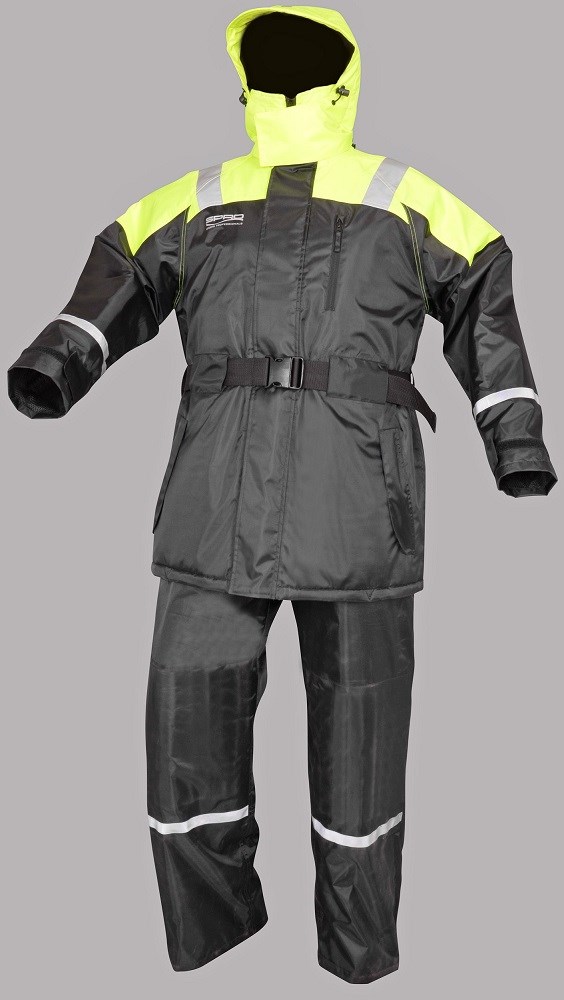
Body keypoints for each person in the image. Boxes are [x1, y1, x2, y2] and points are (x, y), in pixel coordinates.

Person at [6, 4, 557, 985]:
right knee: (185, 729)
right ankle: (217, 937)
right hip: (213, 507)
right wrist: (59, 363)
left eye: (304, 55)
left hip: (359, 507)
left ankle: (356, 951)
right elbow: (119, 268)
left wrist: (514, 437)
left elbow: (484, 288)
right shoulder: (200, 197)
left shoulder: (405, 195)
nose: (282, 68)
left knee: (361, 749)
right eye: (264, 56)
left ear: (346, 75)